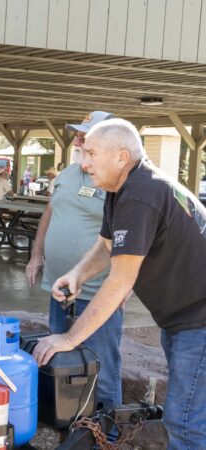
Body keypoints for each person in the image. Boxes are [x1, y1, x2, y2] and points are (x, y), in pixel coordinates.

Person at [32, 118, 206, 449]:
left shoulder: (141, 195)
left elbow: (120, 279)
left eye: (92, 153)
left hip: (198, 319)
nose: (84, 163)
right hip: (183, 317)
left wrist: (70, 338)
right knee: (189, 416)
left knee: (185, 422)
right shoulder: (123, 188)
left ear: (121, 157)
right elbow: (105, 245)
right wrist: (79, 274)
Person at [26, 111, 123, 410]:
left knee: (101, 361)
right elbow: (50, 212)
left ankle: (107, 431)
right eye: (79, 134)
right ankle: (68, 416)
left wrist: (125, 282)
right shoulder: (69, 173)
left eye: (86, 135)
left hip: (96, 291)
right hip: (60, 287)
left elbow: (128, 234)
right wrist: (36, 255)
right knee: (60, 354)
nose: (79, 139)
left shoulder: (115, 180)